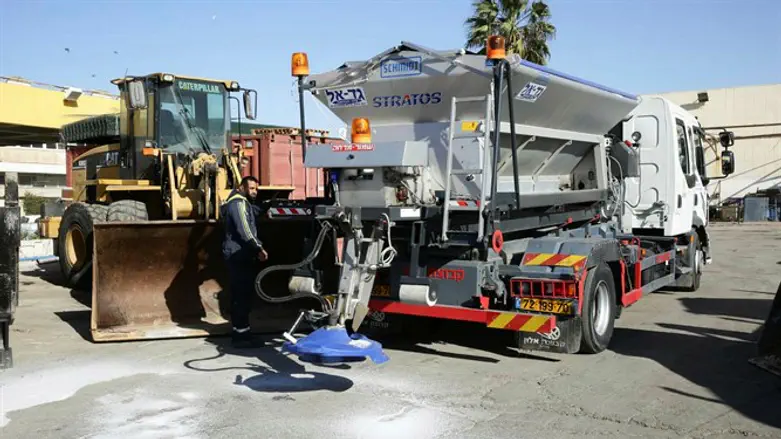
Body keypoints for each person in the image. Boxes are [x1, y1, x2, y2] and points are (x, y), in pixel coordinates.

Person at [221, 175, 268, 348]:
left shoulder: (242, 203)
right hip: (238, 255)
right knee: (241, 295)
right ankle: (241, 337)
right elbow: (244, 230)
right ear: (241, 187)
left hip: (239, 255)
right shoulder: (238, 203)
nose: (255, 192)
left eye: (256, 189)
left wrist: (265, 207)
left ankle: (242, 331)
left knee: (242, 295)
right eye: (252, 188)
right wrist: (258, 248)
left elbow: (251, 214)